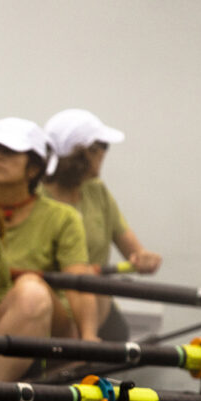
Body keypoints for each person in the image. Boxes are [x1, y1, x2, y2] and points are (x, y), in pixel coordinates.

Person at [0, 117, 99, 380]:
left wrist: (88, 336)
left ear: (33, 169)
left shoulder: (62, 217)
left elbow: (78, 283)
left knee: (31, 290)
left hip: (49, 324)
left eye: (8, 152)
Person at [44, 108, 163, 334]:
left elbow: (134, 252)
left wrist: (144, 259)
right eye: (103, 147)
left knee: (118, 333)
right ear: (83, 153)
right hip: (54, 311)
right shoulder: (37, 200)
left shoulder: (97, 191)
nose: (106, 154)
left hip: (96, 304)